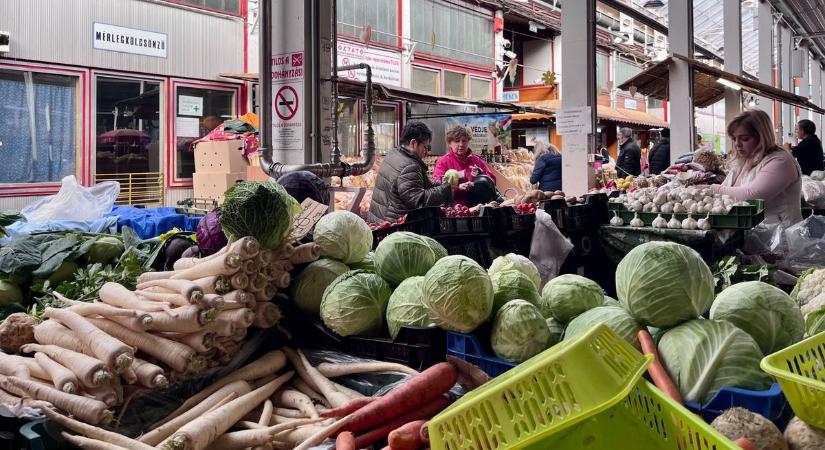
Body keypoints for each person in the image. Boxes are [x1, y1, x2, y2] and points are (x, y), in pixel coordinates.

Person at [705, 109, 802, 226]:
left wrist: (710, 189)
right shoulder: (743, 162)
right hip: (754, 236)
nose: (737, 144)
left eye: (744, 139)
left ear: (762, 137)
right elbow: (726, 190)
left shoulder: (781, 161)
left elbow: (752, 196)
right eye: (734, 138)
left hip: (780, 238)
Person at [368, 122, 455, 223]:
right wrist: (445, 189)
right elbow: (419, 201)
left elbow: (412, 183)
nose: (426, 152)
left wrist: (439, 183)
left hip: (381, 221)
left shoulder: (394, 154)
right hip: (395, 226)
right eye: (425, 147)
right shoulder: (409, 165)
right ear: (413, 143)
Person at [432, 125, 496, 207]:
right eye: (457, 141)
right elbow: (437, 189)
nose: (461, 144)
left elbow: (492, 181)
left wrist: (481, 174)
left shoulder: (476, 160)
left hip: (479, 208)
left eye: (464, 141)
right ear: (449, 143)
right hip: (455, 210)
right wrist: (457, 188)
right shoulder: (443, 162)